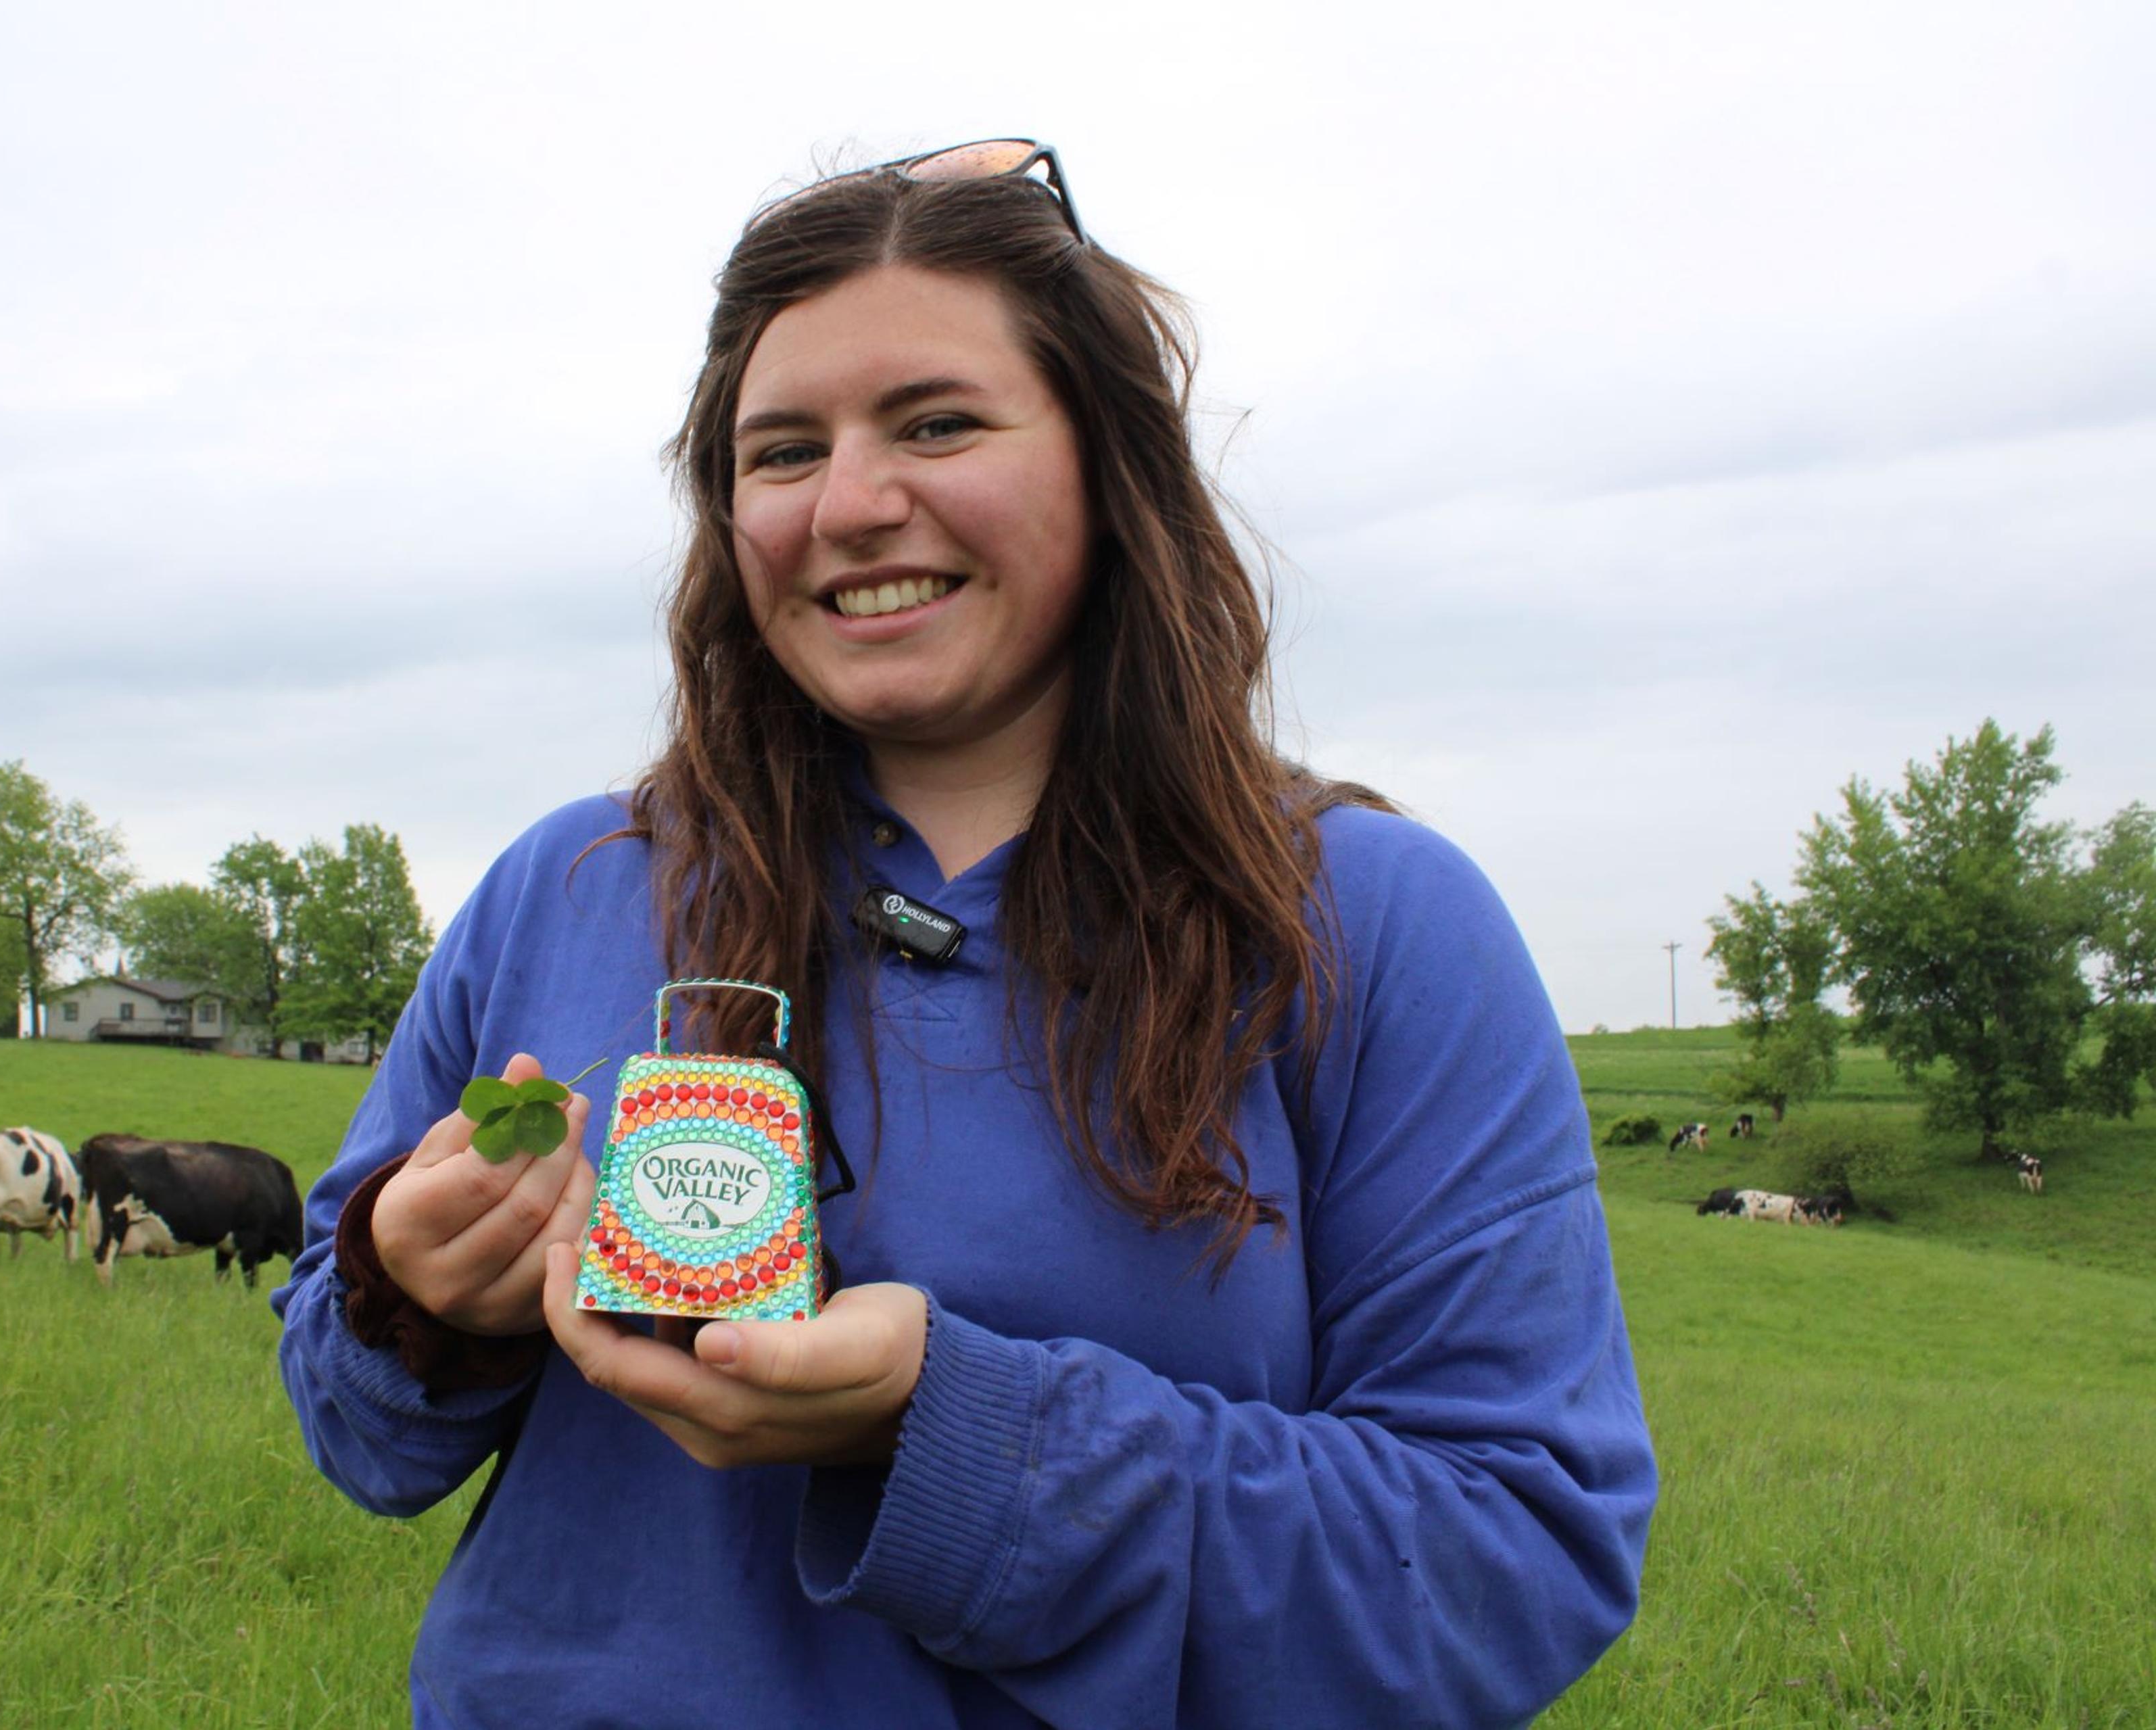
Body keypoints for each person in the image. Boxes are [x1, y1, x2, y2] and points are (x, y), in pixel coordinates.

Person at [275, 139, 1656, 1729]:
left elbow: (1516, 1559)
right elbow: (360, 1431)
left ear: (1108, 463)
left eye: (938, 422)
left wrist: (959, 1434)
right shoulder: (570, 884)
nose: (854, 506)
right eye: (782, 450)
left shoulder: (1371, 924)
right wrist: (406, 1295)